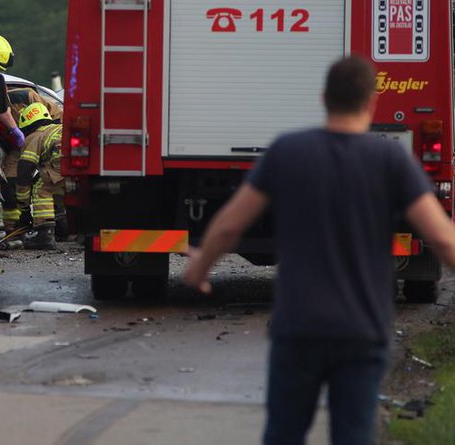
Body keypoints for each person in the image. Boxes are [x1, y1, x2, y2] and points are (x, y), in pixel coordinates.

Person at [183, 55, 455, 445]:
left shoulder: (287, 152)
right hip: (362, 331)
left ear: (324, 98)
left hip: (299, 329)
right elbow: (443, 239)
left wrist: (199, 268)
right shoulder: (390, 159)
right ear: (371, 102)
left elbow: (228, 225)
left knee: (284, 434)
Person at [15, 102, 64, 250]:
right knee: (64, 189)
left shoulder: (35, 135)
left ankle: (45, 234)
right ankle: (66, 227)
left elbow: (25, 170)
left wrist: (23, 210)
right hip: (79, 166)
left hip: (60, 164)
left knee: (41, 187)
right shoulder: (59, 128)